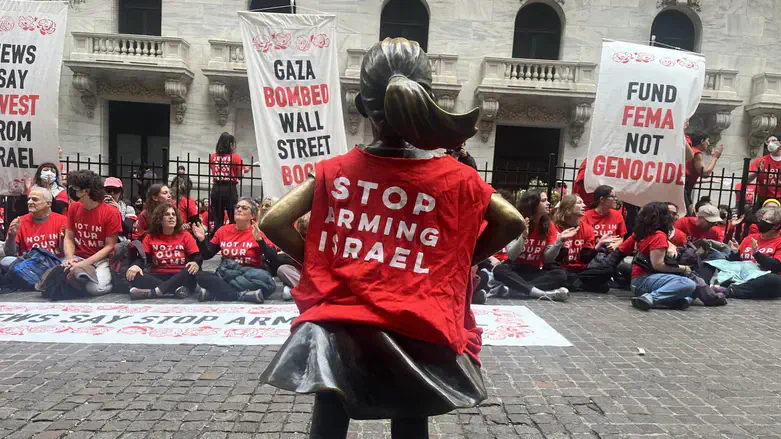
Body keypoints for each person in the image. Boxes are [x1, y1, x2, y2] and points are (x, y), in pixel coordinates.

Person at [257, 38, 524, 439]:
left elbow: (274, 221)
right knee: (411, 413)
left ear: (364, 106)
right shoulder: (457, 176)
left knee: (330, 410)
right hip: (419, 318)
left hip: (341, 320)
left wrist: (319, 262)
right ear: (426, 99)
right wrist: (457, 262)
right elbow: (513, 222)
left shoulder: (336, 170)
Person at [193, 198, 275, 303]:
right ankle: (242, 295)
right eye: (237, 207)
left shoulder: (257, 232)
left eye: (244, 208)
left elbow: (273, 257)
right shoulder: (223, 231)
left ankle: (214, 293)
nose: (239, 209)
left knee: (269, 285)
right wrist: (201, 240)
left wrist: (260, 240)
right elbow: (207, 255)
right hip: (227, 274)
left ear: (252, 215)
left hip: (249, 276)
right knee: (200, 276)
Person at [492, 189, 570, 301]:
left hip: (533, 270)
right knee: (499, 270)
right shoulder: (516, 221)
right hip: (514, 269)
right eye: (544, 200)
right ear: (533, 204)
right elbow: (511, 256)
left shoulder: (548, 225)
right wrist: (523, 237)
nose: (548, 203)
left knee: (561, 275)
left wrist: (559, 241)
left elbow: (547, 259)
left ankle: (517, 289)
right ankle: (541, 293)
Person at [55, 170, 122, 296]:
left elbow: (109, 246)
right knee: (55, 279)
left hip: (102, 260)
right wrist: (70, 258)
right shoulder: (74, 207)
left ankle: (90, 280)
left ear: (86, 191)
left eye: (75, 188)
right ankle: (80, 279)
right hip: (78, 256)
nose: (73, 191)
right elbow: (69, 237)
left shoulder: (111, 212)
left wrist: (83, 264)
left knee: (95, 288)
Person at [126, 204, 202, 299]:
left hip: (180, 275)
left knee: (190, 272)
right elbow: (143, 257)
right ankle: (175, 291)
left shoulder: (185, 235)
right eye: (167, 214)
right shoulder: (150, 236)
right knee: (136, 275)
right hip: (158, 274)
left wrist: (195, 262)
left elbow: (197, 256)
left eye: (173, 214)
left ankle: (153, 292)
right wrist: (136, 265)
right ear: (160, 219)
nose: (171, 217)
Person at [630, 202, 697, 311]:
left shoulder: (645, 233)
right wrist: (684, 268)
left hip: (640, 280)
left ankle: (673, 300)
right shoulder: (659, 236)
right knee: (688, 284)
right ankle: (650, 298)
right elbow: (658, 265)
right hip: (643, 280)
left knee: (686, 295)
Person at [554, 194, 621, 293]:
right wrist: (560, 242)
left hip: (580, 270)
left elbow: (585, 259)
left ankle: (575, 283)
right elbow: (554, 260)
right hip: (561, 269)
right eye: (579, 203)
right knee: (559, 275)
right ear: (568, 209)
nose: (584, 205)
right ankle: (580, 284)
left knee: (607, 270)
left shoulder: (587, 228)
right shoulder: (555, 227)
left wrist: (599, 245)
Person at [720, 207, 781, 299]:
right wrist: (735, 252)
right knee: (713, 261)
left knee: (774, 280)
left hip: (761, 278)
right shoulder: (750, 238)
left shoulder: (779, 242)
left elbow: (776, 266)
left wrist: (757, 254)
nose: (761, 222)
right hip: (741, 275)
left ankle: (730, 290)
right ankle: (705, 286)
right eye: (762, 219)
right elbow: (736, 262)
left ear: (776, 226)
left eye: (766, 220)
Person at [2, 189, 68, 274]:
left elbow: (64, 252)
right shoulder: (19, 221)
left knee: (72, 261)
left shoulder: (62, 220)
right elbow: (9, 253)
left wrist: (63, 239)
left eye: (35, 199)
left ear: (48, 204)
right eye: (29, 199)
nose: (29, 202)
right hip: (28, 263)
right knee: (6, 261)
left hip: (54, 262)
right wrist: (12, 235)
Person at [209, 132, 248, 232]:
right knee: (233, 216)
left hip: (216, 188)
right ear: (231, 145)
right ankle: (232, 238)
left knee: (218, 218)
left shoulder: (212, 157)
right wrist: (245, 170)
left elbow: (213, 169)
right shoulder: (235, 157)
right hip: (230, 188)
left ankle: (217, 241)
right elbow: (240, 175)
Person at [685, 133, 724, 215]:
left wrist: (708, 181)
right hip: (685, 188)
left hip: (685, 185)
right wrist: (715, 158)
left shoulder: (691, 150)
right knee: (687, 213)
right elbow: (705, 173)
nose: (709, 143)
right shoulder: (697, 153)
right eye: (707, 141)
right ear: (702, 141)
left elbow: (689, 174)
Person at [748, 135, 781, 206]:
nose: (770, 144)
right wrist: (757, 171)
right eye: (768, 142)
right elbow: (746, 179)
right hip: (763, 197)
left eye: (773, 141)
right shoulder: (761, 160)